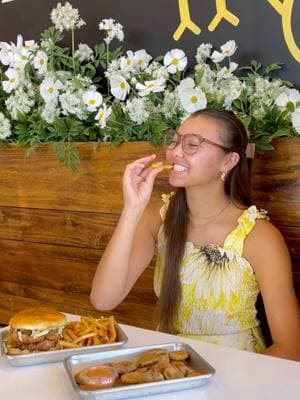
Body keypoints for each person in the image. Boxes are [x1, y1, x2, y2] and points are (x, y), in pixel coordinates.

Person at [90, 108, 300, 360]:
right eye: (175, 140)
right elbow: (103, 300)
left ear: (229, 161)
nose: (175, 151)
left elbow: (291, 347)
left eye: (192, 144)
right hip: (170, 369)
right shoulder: (157, 217)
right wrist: (132, 209)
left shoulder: (258, 235)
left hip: (238, 373)